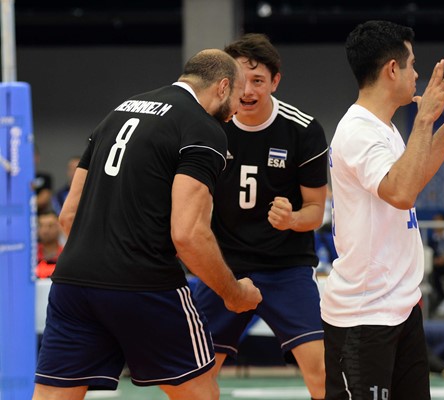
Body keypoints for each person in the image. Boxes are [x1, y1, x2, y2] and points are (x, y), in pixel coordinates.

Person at [33, 49, 263, 400]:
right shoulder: (203, 128)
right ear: (222, 87)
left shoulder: (118, 112)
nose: (237, 110)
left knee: (53, 394)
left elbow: (69, 214)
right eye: (237, 97)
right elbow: (188, 234)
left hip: (73, 283)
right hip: (144, 283)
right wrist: (234, 294)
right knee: (199, 393)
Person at [321, 20, 444, 400]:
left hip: (399, 308)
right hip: (365, 315)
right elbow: (401, 193)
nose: (417, 74)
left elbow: (415, 176)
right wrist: (425, 118)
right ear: (392, 69)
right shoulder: (359, 130)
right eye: (412, 64)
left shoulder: (384, 128)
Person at [193, 33, 328, 400]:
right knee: (194, 376)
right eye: (241, 80)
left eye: (258, 80)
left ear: (275, 81)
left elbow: (316, 211)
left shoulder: (303, 130)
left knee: (322, 371)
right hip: (225, 268)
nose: (249, 90)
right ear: (226, 82)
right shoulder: (209, 127)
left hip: (286, 267)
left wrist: (292, 219)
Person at [36, 210, 64, 279]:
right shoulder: (31, 255)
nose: (45, 230)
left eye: (50, 226)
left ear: (60, 227)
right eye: (41, 226)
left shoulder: (65, 254)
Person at [32, 145, 54, 214]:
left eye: (32, 155)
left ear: (37, 157)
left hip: (39, 216)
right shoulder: (15, 180)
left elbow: (43, 200)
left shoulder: (44, 178)